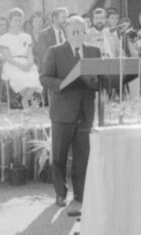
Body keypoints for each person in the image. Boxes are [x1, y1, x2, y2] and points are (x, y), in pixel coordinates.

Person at [40, 15, 100, 211]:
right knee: (59, 155)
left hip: (86, 110)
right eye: (74, 32)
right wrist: (63, 84)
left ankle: (81, 192)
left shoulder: (94, 51)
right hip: (63, 110)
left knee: (83, 154)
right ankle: (60, 193)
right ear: (66, 33)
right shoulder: (55, 52)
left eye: (82, 32)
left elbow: (100, 78)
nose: (78, 35)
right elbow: (45, 78)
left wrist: (99, 82)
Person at [0, 8, 43, 111]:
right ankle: (28, 100)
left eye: (20, 20)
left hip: (26, 63)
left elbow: (30, 54)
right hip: (12, 64)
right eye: (15, 20)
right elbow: (8, 58)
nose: (18, 23)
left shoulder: (27, 36)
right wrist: (21, 66)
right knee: (20, 78)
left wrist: (30, 63)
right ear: (10, 21)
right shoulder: (4, 38)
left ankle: (25, 99)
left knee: (36, 78)